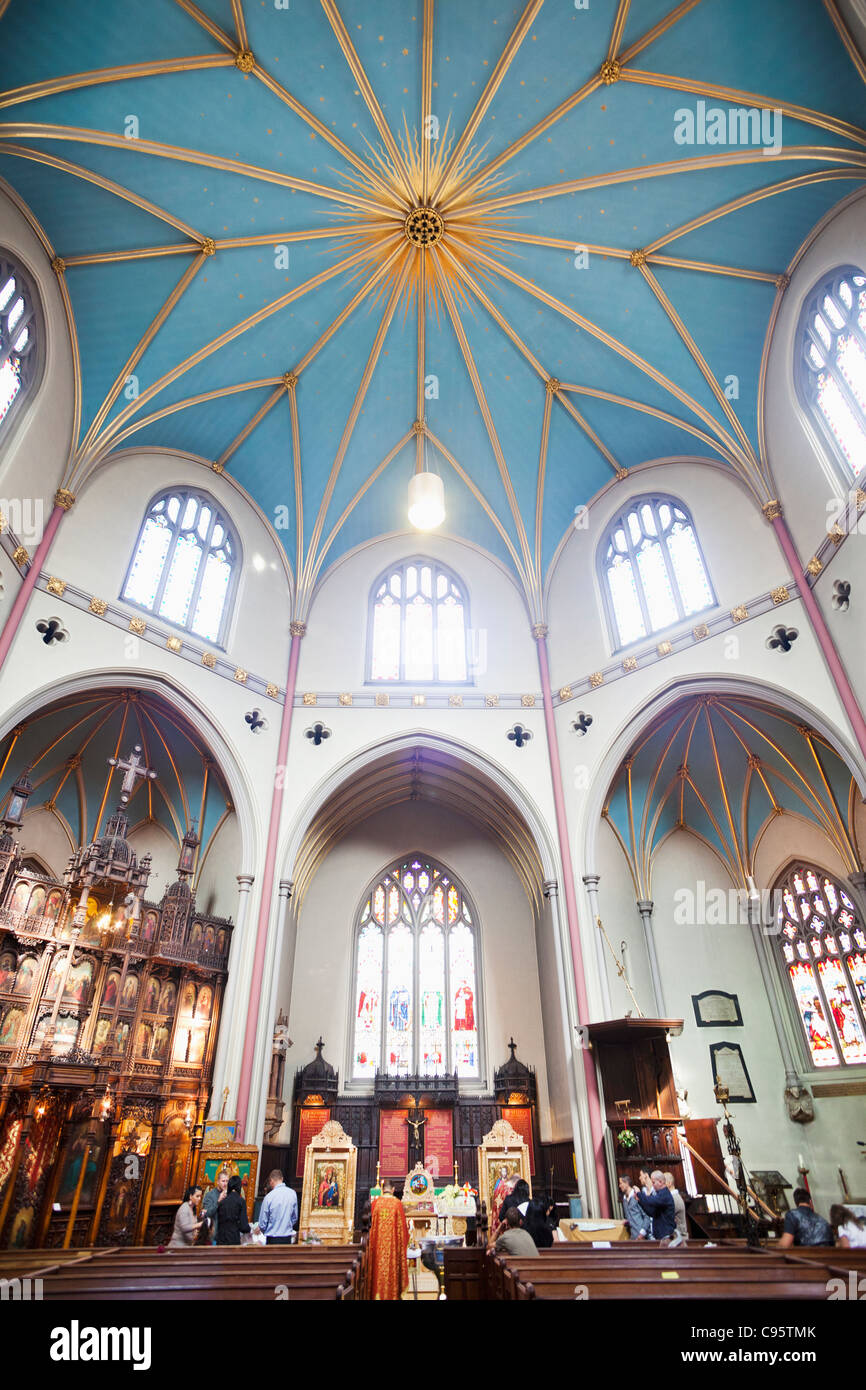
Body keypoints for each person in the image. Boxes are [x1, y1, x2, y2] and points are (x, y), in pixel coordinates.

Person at [367, 1178, 410, 1300]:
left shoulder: (375, 1204)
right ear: (393, 1190)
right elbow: (403, 1232)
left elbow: (369, 1227)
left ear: (382, 1189)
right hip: (392, 1250)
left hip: (377, 1249)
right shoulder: (397, 1204)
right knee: (392, 1273)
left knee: (377, 1271)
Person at [257, 1168, 298, 1245]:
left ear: (271, 1181)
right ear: (282, 1179)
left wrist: (266, 1230)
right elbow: (294, 1217)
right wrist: (286, 1225)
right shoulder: (292, 1194)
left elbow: (262, 1222)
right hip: (287, 1237)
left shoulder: (269, 1197)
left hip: (272, 1238)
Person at [636, 1170, 676, 1240]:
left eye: (653, 1183)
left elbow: (650, 1201)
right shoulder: (660, 1194)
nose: (652, 1185)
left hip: (666, 1235)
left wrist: (639, 1194)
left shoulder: (665, 1194)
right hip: (660, 1236)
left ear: (660, 1182)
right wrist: (640, 1201)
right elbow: (652, 1212)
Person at [216, 1174, 251, 1246]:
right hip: (233, 1240)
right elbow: (243, 1227)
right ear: (239, 1187)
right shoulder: (241, 1201)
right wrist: (250, 1229)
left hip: (220, 1239)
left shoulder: (222, 1201)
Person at [201, 1166, 229, 1244]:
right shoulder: (210, 1195)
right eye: (223, 1181)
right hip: (214, 1234)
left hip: (225, 1234)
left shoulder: (229, 1194)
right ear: (217, 1182)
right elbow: (207, 1213)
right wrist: (218, 1201)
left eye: (227, 1181)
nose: (225, 1183)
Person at [619, 1175, 651, 1240]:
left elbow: (646, 1216)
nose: (619, 1186)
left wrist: (642, 1233)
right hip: (633, 1236)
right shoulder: (624, 1199)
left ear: (627, 1183)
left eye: (621, 1183)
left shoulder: (637, 1196)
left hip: (642, 1237)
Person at [664, 1171, 688, 1242]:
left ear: (669, 1183)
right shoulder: (671, 1197)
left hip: (679, 1239)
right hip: (676, 1238)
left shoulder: (674, 1198)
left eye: (663, 1182)